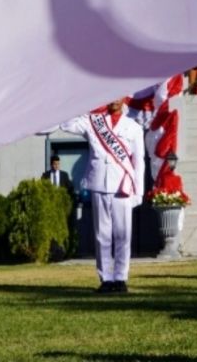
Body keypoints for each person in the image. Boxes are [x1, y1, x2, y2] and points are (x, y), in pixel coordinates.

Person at [60, 99, 145, 294]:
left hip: (122, 186)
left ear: (124, 98)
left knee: (123, 235)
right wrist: (85, 104)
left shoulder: (133, 127)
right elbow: (67, 124)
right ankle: (106, 278)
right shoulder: (94, 121)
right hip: (99, 183)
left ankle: (121, 278)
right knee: (102, 235)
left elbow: (138, 162)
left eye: (117, 96)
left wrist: (138, 191)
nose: (113, 100)